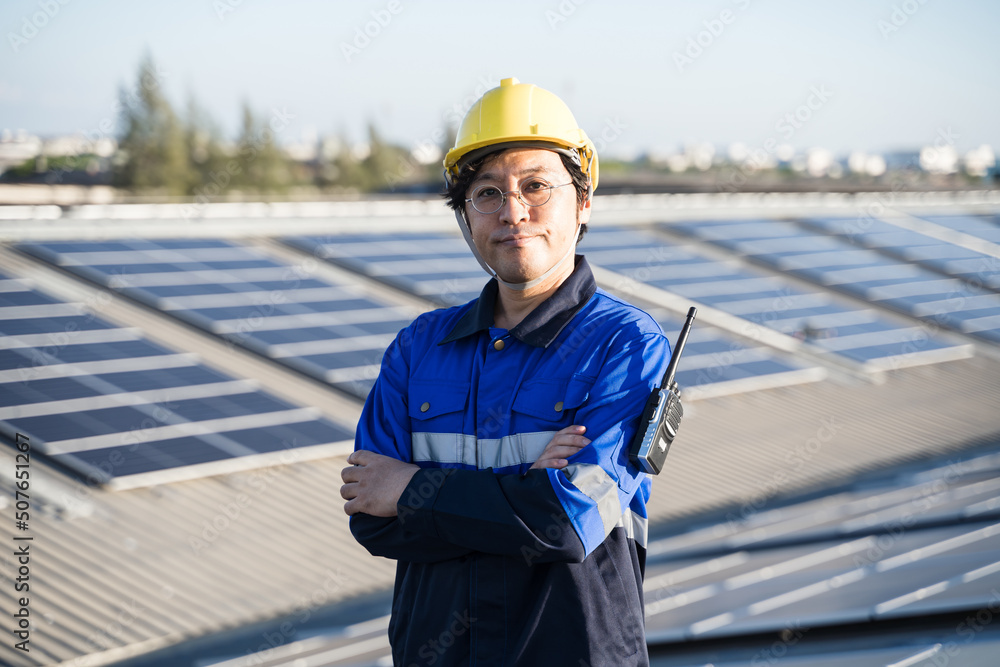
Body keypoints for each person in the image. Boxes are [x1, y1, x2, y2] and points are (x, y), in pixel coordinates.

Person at [340, 77, 671, 667]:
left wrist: (409, 489)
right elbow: (372, 520)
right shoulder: (420, 347)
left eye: (536, 186)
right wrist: (525, 490)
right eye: (487, 193)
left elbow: (570, 521)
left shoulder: (626, 345)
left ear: (584, 200)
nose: (512, 212)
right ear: (465, 215)